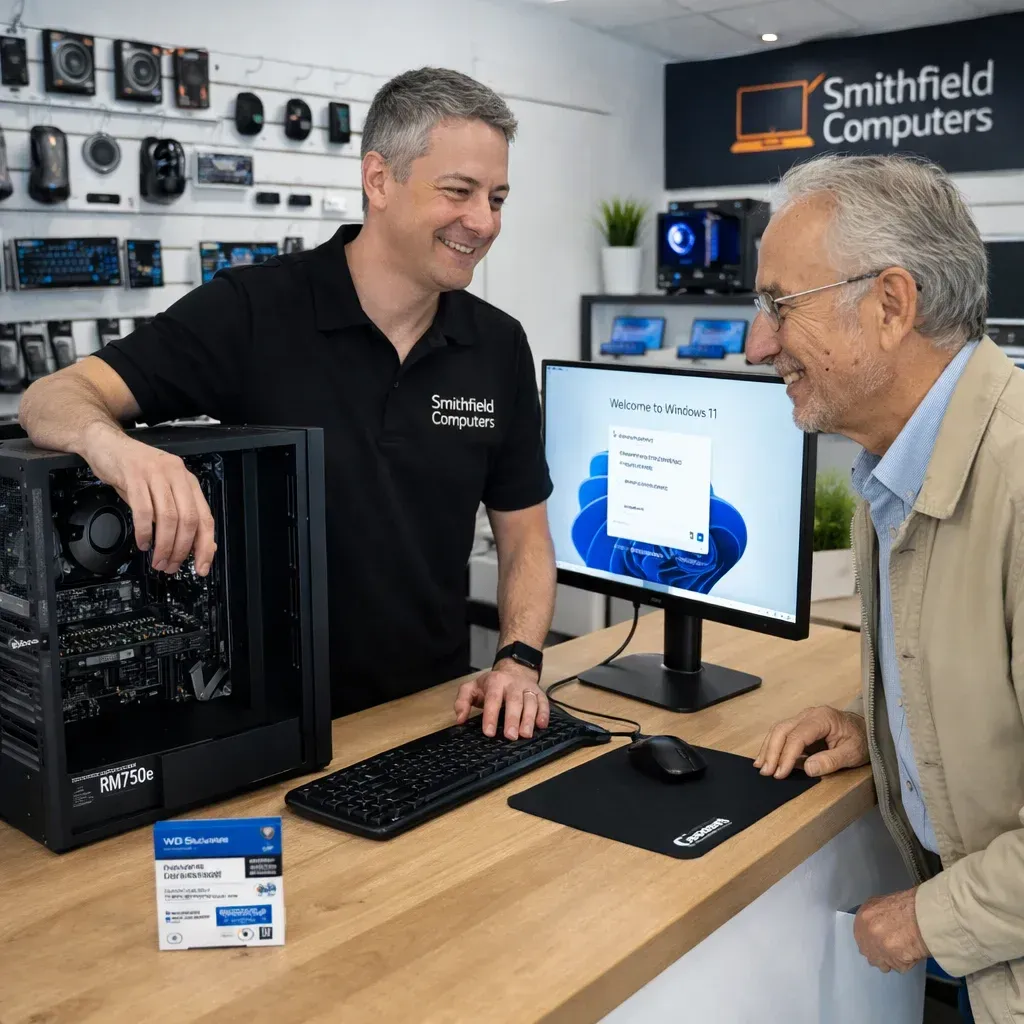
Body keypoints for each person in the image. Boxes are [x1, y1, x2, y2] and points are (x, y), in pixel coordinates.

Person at [19, 67, 557, 740]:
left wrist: (519, 660)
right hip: (261, 723)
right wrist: (119, 450)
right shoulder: (252, 309)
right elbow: (53, 396)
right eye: (460, 191)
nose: (483, 221)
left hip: (431, 714)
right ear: (379, 180)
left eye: (498, 198)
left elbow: (526, 534)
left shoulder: (497, 344)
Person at [747, 153, 1023, 1024]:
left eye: (778, 306)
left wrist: (928, 919)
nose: (758, 345)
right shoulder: (893, 466)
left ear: (892, 305)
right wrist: (884, 720)